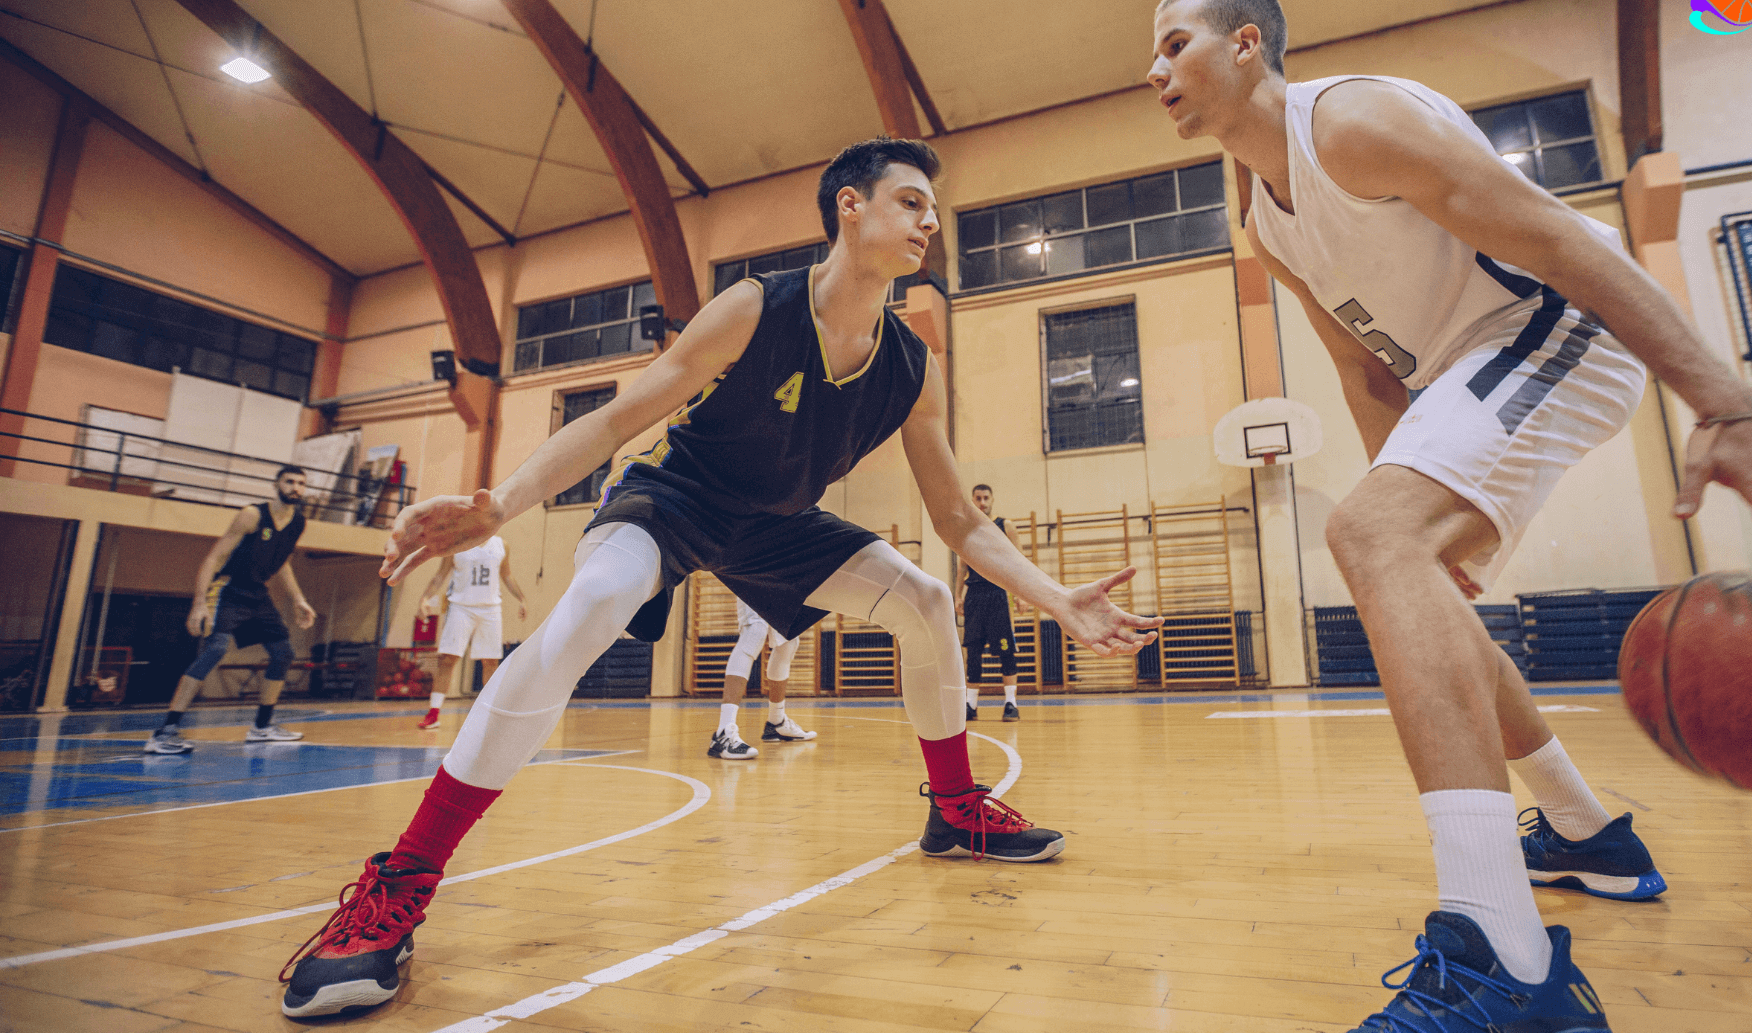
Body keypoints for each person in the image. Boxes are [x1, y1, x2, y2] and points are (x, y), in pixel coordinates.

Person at [277, 137, 1162, 1018]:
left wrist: (1055, 597)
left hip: (777, 525)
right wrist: (500, 503)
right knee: (587, 607)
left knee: (927, 602)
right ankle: (396, 891)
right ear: (849, 206)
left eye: (934, 208)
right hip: (675, 500)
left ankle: (957, 809)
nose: (929, 220)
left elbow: (959, 520)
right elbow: (622, 414)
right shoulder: (754, 308)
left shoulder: (910, 365)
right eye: (909, 201)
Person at [1147, 0, 1752, 1030]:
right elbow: (1365, 373)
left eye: (1172, 44)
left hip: (1561, 324)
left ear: (1246, 44)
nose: (1152, 71)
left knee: (1373, 534)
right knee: (1392, 553)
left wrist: (1723, 403)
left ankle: (1509, 964)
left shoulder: (1353, 123)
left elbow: (1562, 241)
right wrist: (1410, 533)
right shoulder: (1263, 216)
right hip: (1464, 365)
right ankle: (1580, 828)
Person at [145, 466, 318, 754]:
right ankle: (165, 731)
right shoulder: (252, 515)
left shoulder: (298, 522)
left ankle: (262, 727)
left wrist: (299, 599)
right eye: (289, 481)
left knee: (283, 652)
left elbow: (282, 562)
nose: (295, 487)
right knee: (215, 650)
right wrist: (199, 603)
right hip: (228, 588)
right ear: (276, 484)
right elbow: (214, 558)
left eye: (301, 483)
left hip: (257, 594)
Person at [414, 534, 527, 730]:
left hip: (490, 609)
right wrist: (425, 598)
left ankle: (488, 713)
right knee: (447, 659)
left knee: (490, 662)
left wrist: (521, 599)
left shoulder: (502, 545)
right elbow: (441, 574)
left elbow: (507, 575)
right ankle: (433, 713)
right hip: (461, 607)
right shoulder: (456, 542)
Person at [709, 597, 818, 759]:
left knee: (788, 640)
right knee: (755, 631)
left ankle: (776, 722)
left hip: (778, 577)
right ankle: (723, 734)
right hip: (748, 572)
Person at [956, 484, 1025, 722]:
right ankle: (971, 705)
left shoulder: (1005, 526)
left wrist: (1021, 595)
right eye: (978, 498)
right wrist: (958, 595)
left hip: (998, 594)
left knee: (1006, 651)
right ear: (972, 500)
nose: (982, 502)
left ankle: (1010, 703)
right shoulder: (966, 529)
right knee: (973, 652)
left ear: (992, 499)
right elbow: (962, 567)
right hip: (974, 596)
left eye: (986, 498)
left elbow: (1020, 562)